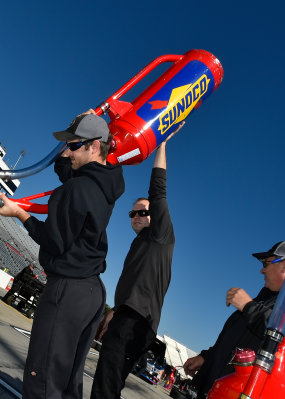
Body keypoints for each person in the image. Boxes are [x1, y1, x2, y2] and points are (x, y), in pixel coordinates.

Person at [0, 111, 125, 399]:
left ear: (93, 146)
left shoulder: (76, 190)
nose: (67, 152)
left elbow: (53, 241)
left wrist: (20, 214)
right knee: (68, 382)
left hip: (68, 289)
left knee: (43, 380)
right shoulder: (106, 185)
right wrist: (75, 132)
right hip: (91, 293)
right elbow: (70, 172)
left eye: (74, 145)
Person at [183, 240, 285, 399]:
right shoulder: (265, 300)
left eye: (266, 264)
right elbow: (236, 343)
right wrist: (207, 358)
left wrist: (249, 307)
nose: (262, 270)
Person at [90, 137, 175, 399]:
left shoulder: (160, 236)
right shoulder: (140, 245)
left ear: (155, 217)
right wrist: (115, 311)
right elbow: (136, 288)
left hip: (137, 322)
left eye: (143, 213)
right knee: (108, 379)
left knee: (107, 381)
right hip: (129, 317)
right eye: (133, 214)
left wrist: (160, 147)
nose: (137, 216)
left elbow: (158, 191)